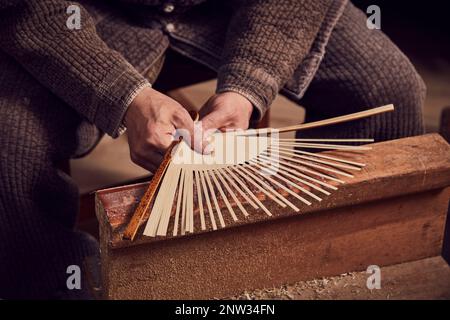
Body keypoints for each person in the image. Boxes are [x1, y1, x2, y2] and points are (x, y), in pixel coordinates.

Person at [0, 0, 425, 299]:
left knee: (387, 88)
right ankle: (57, 285)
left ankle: (336, 263)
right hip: (86, 15)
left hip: (228, 8)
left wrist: (248, 84)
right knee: (8, 141)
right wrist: (124, 96)